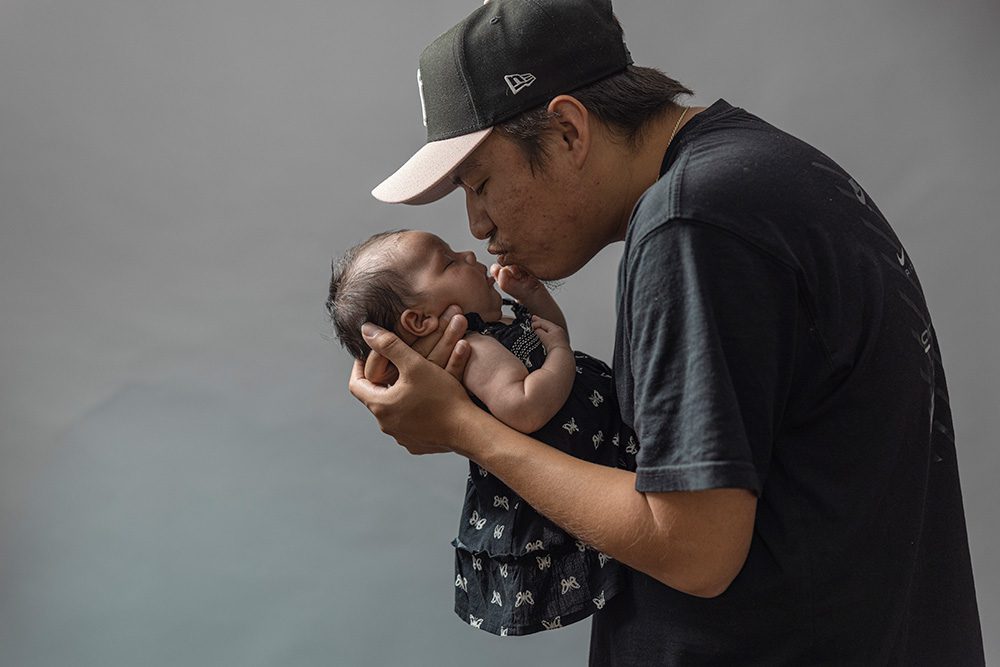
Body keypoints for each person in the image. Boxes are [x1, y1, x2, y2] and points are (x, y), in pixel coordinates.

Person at [349, 0, 985, 664]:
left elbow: (694, 547)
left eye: (478, 183)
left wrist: (461, 427)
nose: (476, 226)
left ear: (567, 129)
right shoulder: (758, 174)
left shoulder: (694, 224)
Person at [327, 229, 638, 636]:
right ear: (419, 319)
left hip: (595, 439)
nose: (470, 255)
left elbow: (548, 333)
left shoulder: (496, 328)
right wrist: (561, 352)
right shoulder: (475, 351)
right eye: (450, 261)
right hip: (584, 450)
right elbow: (526, 407)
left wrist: (534, 298)